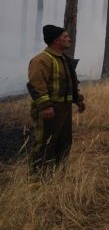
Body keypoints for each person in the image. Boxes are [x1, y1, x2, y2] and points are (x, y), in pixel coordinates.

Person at [27, 25, 86, 174]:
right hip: (50, 109)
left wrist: (78, 99)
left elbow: (70, 82)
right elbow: (36, 85)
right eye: (65, 37)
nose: (69, 39)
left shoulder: (64, 60)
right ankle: (36, 179)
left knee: (64, 142)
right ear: (56, 41)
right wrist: (46, 106)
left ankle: (58, 175)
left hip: (63, 108)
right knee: (44, 143)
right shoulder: (41, 60)